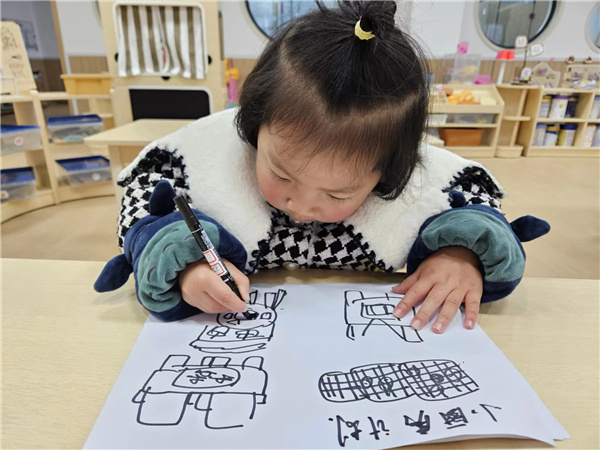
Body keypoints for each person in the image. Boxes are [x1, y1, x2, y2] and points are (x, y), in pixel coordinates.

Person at [94, 1, 549, 333]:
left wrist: (461, 257)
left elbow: (479, 212)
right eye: (282, 174)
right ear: (254, 125)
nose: (302, 205)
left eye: (338, 194)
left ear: (389, 173)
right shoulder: (212, 156)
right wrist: (183, 266)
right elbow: (143, 201)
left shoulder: (420, 178)